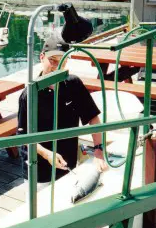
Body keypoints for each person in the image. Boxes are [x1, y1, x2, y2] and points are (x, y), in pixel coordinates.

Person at [17, 41, 108, 186]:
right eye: (52, 60)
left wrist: (99, 150)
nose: (56, 66)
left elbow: (92, 117)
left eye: (62, 61)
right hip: (38, 169)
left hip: (69, 165)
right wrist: (47, 154)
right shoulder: (29, 95)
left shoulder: (74, 84)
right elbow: (22, 137)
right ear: (42, 57)